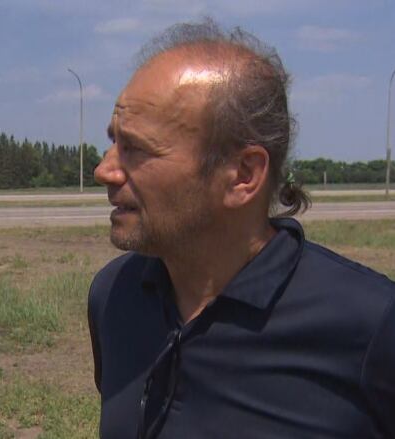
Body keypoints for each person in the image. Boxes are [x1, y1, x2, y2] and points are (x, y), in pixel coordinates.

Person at [88, 19, 395, 439]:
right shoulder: (114, 295)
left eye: (135, 149)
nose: (104, 170)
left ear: (243, 174)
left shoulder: (372, 325)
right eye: (112, 141)